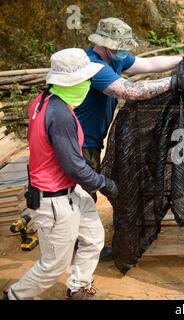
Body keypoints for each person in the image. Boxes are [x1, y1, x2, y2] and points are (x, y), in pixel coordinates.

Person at [75, 17, 184, 261]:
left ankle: (81, 241)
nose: (123, 51)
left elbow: (149, 63)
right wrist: (173, 82)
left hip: (90, 139)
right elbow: (128, 91)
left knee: (84, 193)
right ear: (107, 45)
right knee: (83, 196)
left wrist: (181, 59)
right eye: (119, 46)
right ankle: (85, 248)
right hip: (79, 142)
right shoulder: (94, 66)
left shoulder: (114, 59)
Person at [2, 48, 119, 300]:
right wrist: (105, 183)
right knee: (53, 265)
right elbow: (74, 167)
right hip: (54, 200)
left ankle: (78, 286)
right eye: (86, 79)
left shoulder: (42, 101)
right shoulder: (61, 115)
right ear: (72, 82)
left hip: (67, 190)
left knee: (93, 238)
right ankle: (14, 295)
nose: (89, 84)